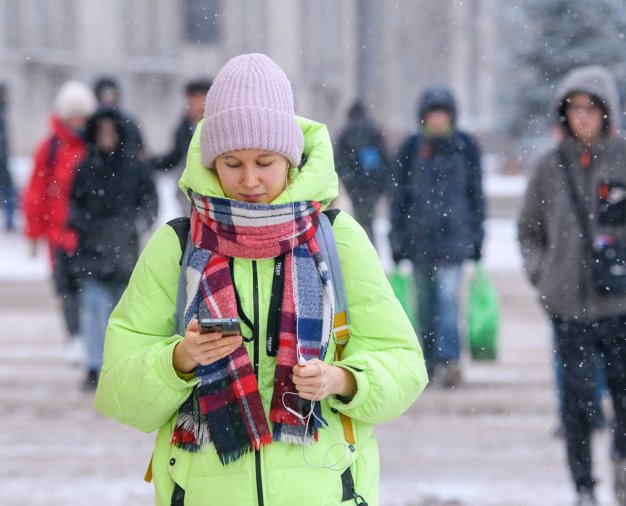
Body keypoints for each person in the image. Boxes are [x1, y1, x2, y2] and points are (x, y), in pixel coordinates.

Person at [94, 53, 426, 505]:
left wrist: (343, 380)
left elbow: (405, 366)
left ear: (290, 157)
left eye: (264, 161)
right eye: (232, 163)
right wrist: (180, 359)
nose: (249, 180)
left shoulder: (336, 239)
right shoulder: (177, 246)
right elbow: (117, 392)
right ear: (212, 162)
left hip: (324, 490)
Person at [518, 65, 626, 506]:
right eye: (574, 108)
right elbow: (529, 229)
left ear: (607, 111)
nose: (582, 116)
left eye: (591, 107)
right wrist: (543, 273)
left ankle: (624, 457)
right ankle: (584, 485)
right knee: (576, 401)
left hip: (625, 303)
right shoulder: (549, 167)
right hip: (568, 306)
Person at [389, 86, 485, 389]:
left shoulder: (465, 147)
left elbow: (476, 197)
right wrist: (397, 240)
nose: (438, 120)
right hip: (420, 242)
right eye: (433, 114)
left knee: (448, 302)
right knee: (426, 306)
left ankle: (449, 361)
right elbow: (399, 199)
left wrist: (478, 237)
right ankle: (429, 361)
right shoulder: (411, 149)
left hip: (454, 241)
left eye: (443, 114)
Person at [69, 107, 157, 388]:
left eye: (111, 131)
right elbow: (74, 204)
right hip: (92, 250)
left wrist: (134, 223)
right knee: (93, 307)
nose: (107, 137)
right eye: (101, 131)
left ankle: (117, 366)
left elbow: (149, 202)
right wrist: (86, 225)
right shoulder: (85, 166)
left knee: (121, 311)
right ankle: (94, 366)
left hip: (124, 250)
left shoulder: (134, 165)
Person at [22, 80, 97, 345]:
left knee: (92, 290)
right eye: (72, 115)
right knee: (65, 289)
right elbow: (35, 192)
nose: (77, 121)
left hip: (88, 234)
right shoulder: (50, 148)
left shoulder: (94, 147)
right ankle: (75, 337)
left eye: (82, 115)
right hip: (59, 233)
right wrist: (33, 233)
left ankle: (91, 339)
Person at [151, 79, 212, 216]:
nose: (189, 105)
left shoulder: (216, 124)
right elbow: (176, 156)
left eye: (193, 100)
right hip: (189, 194)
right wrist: (150, 162)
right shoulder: (184, 127)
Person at [335, 100, 389, 244]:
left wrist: (348, 182)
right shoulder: (374, 131)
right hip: (372, 186)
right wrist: (380, 186)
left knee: (359, 221)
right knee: (370, 221)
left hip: (355, 187)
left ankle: (362, 248)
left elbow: (339, 162)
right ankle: (372, 250)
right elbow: (385, 161)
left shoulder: (345, 132)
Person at [92, 76, 146, 158]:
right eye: (104, 95)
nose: (108, 100)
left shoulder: (129, 125)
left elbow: (142, 154)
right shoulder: (91, 123)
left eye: (111, 95)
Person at [0, 82, 16, 232]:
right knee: (9, 191)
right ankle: (10, 221)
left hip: (3, 159)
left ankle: (10, 221)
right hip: (2, 160)